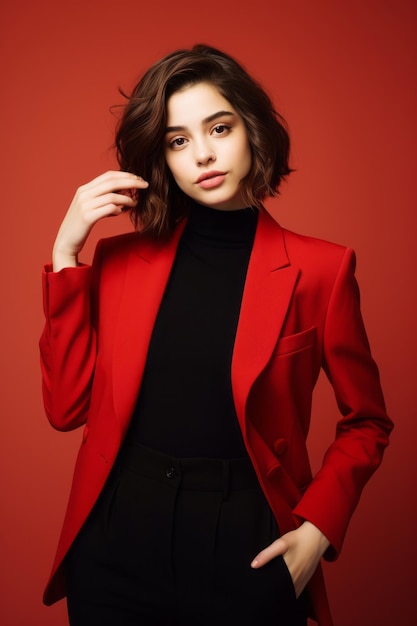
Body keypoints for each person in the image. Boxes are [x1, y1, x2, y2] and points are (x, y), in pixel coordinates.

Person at [39, 44, 393, 626]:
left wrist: (317, 529)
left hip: (246, 545)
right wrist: (66, 253)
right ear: (164, 159)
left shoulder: (322, 270)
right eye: (178, 141)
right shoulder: (119, 260)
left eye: (219, 127)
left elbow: (368, 421)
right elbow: (65, 407)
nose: (202, 154)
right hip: (116, 540)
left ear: (251, 130)